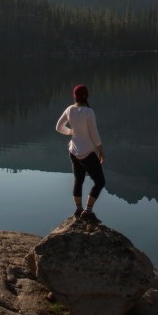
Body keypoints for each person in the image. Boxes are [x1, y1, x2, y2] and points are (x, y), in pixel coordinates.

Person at [55, 84, 105, 222]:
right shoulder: (88, 112)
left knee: (79, 180)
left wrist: (70, 131)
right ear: (86, 96)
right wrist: (101, 151)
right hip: (87, 153)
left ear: (75, 97)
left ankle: (78, 209)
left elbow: (58, 127)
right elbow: (94, 135)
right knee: (100, 182)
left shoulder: (69, 109)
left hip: (73, 152)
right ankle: (88, 212)